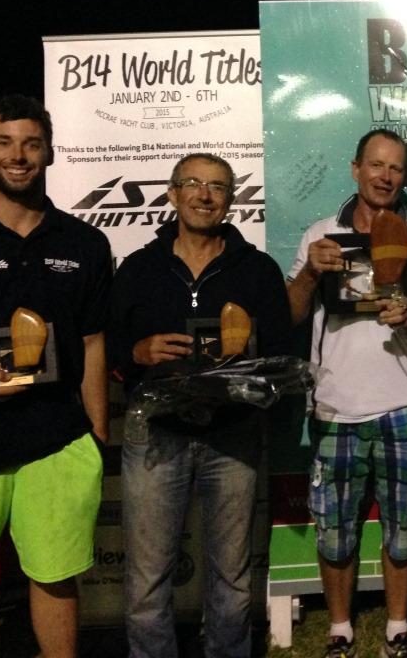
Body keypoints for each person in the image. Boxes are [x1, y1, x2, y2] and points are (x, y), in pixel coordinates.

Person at [0, 95, 111, 658]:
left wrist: (98, 435)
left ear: (50, 153)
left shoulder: (84, 243)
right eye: (5, 142)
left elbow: (91, 340)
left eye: (32, 144)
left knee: (56, 576)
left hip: (54, 438)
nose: (19, 156)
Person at [108, 153, 291, 658]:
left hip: (231, 436)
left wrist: (250, 370)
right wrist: (138, 353)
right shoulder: (139, 269)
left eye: (217, 187)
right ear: (172, 194)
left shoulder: (257, 270)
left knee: (231, 575)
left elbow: (281, 355)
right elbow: (108, 347)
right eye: (192, 183)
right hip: (157, 433)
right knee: (147, 578)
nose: (204, 195)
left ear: (231, 201)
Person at [286, 129, 407, 658]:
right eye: (376, 165)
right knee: (334, 530)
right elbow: (289, 313)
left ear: (405, 177)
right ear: (355, 169)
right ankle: (340, 631)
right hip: (336, 407)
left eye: (396, 168)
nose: (385, 176)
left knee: (405, 526)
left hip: (404, 405)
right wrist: (312, 268)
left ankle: (398, 630)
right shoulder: (320, 234)